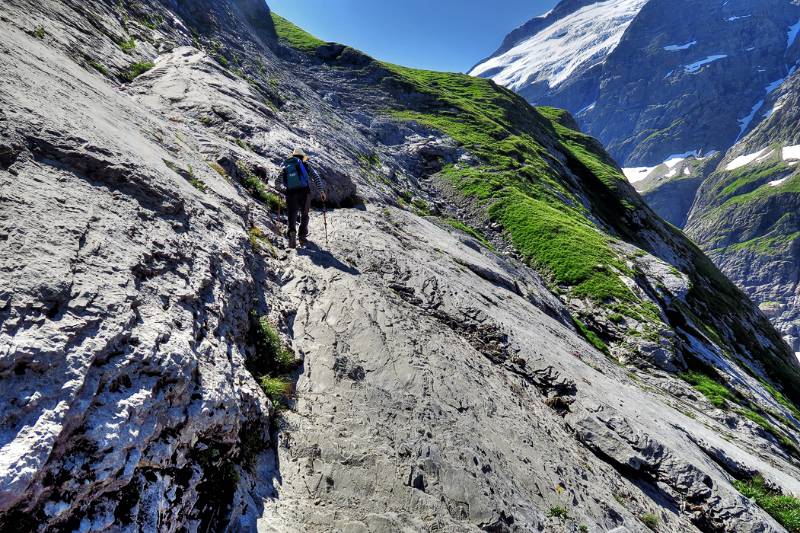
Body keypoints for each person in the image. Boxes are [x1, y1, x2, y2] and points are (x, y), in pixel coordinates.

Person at [278, 148, 327, 248]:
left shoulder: (286, 166)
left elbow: (277, 182)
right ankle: (302, 236)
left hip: (290, 193)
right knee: (304, 214)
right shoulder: (306, 165)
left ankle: (292, 233)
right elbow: (316, 177)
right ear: (302, 157)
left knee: (292, 214)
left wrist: (283, 189)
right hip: (305, 193)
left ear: (293, 156)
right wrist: (321, 191)